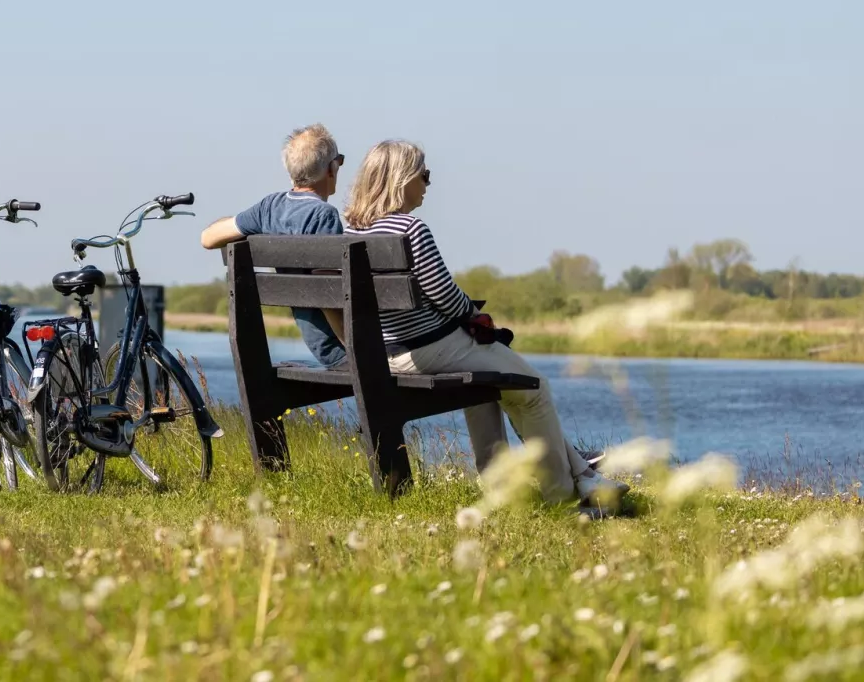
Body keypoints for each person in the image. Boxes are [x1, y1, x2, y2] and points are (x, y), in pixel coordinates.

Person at [342, 139, 627, 508]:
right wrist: (473, 314)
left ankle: (530, 488)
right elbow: (444, 296)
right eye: (424, 175)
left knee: (489, 390)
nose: (428, 184)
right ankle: (566, 497)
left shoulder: (350, 230)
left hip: (386, 352)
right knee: (534, 388)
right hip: (431, 349)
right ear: (402, 179)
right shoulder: (411, 230)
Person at [200, 124, 352, 370]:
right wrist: (356, 348)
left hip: (317, 346)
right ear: (331, 168)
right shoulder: (324, 216)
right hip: (338, 351)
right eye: (340, 162)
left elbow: (207, 238)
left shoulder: (268, 208)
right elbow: (328, 295)